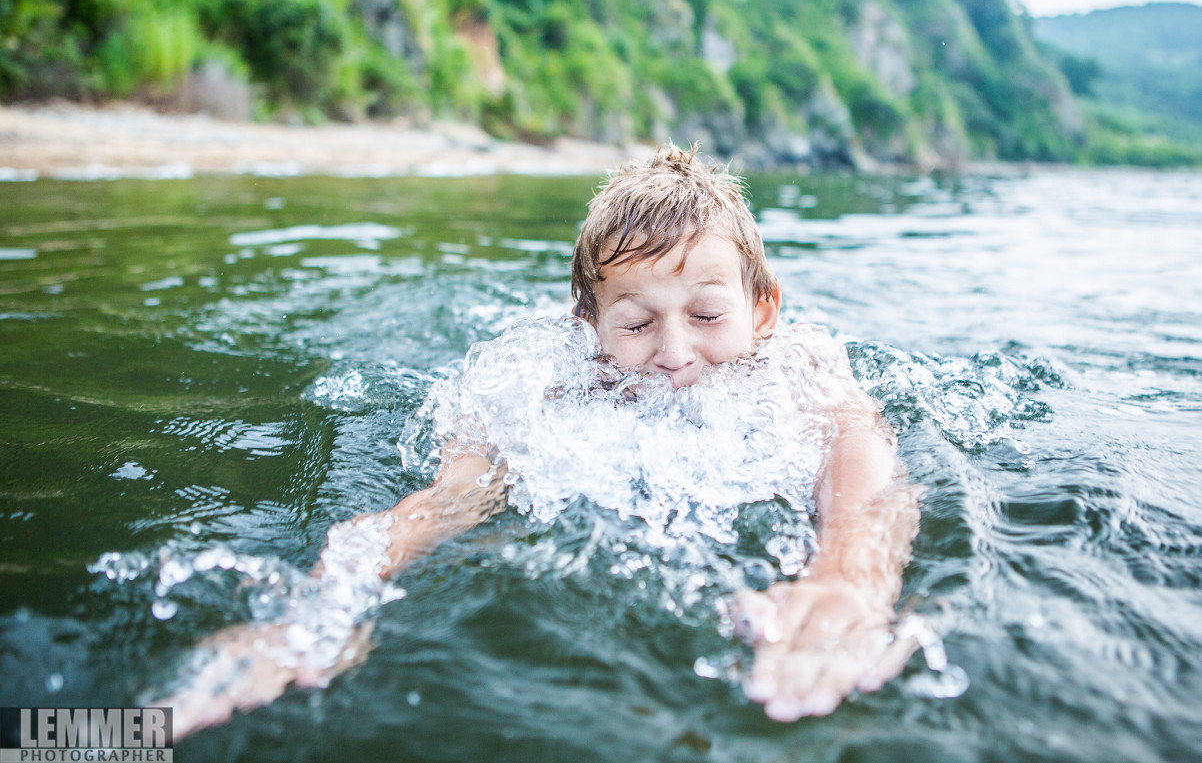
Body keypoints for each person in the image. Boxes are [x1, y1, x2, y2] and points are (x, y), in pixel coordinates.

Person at [158, 142, 920, 736]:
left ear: (764, 309)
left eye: (708, 315)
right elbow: (458, 490)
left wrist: (848, 573)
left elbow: (859, 436)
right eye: (637, 322)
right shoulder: (545, 373)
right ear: (589, 328)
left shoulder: (796, 361)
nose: (677, 352)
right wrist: (325, 604)